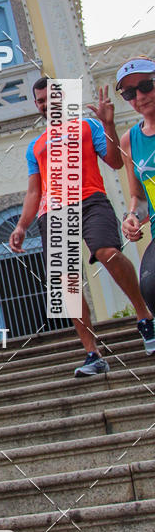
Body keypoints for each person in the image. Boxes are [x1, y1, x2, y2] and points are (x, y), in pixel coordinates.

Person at [9, 76, 154, 376]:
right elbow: (35, 192)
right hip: (53, 213)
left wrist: (109, 124)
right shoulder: (35, 147)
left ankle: (145, 318)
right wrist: (22, 226)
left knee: (107, 252)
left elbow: (115, 162)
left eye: (50, 97)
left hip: (91, 200)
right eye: (40, 101)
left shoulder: (89, 126)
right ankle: (92, 354)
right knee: (66, 285)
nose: (46, 104)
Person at [117, 57, 155, 350]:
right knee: (151, 288)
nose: (140, 97)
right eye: (130, 93)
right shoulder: (130, 139)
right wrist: (132, 217)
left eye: (146, 86)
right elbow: (140, 198)